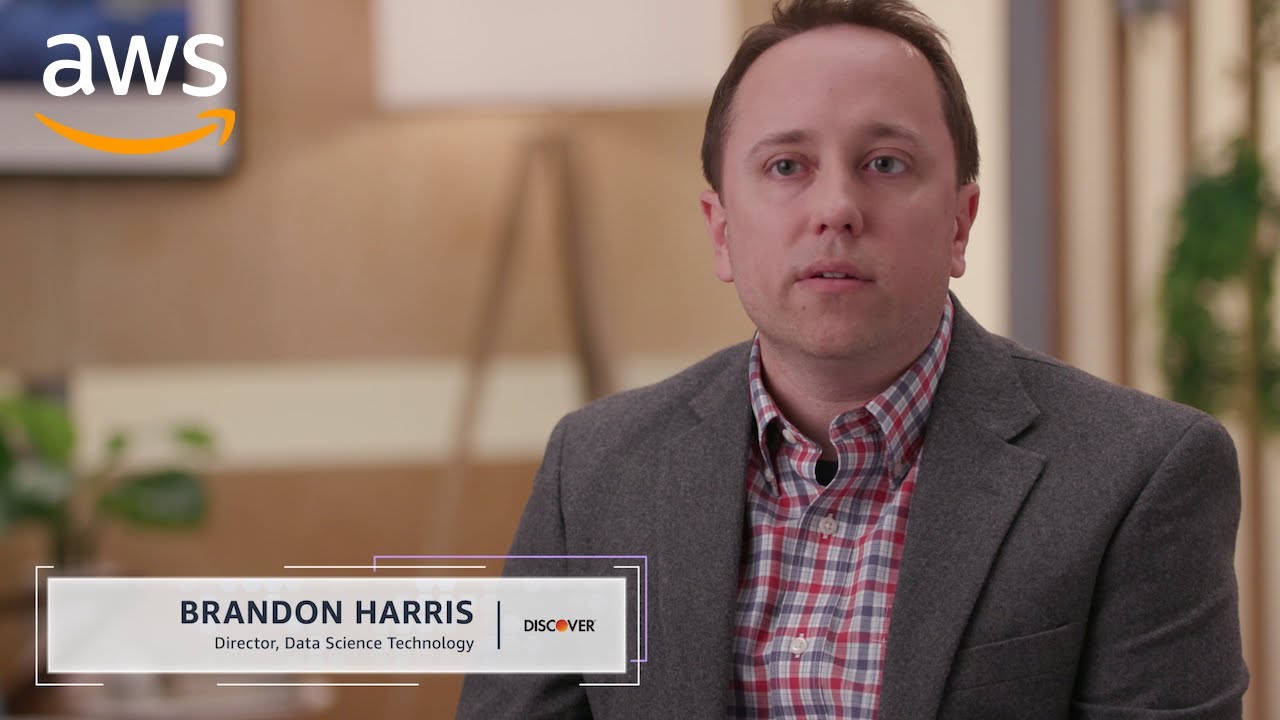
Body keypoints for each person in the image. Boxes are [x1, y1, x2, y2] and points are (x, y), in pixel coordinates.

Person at [457, 0, 1249, 716]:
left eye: (885, 164)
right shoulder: (594, 470)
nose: (836, 208)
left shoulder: (1142, 475)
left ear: (960, 222)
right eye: (786, 166)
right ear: (721, 229)